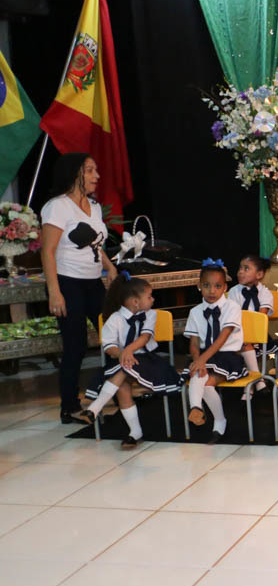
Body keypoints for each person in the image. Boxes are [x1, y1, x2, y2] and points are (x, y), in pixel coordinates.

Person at [39, 153, 119, 422]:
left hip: (92, 282)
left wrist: (109, 267)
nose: (97, 175)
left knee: (113, 335)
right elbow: (47, 251)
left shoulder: (94, 206)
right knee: (76, 345)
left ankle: (114, 391)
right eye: (90, 170)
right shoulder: (57, 207)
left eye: (96, 170)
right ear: (75, 174)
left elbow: (95, 243)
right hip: (67, 282)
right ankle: (69, 406)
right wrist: (55, 291)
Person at [76, 275, 181, 448]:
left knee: (124, 369)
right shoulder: (114, 319)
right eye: (149, 296)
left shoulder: (150, 315)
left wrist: (127, 351)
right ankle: (135, 432)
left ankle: (95, 407)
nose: (153, 299)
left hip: (147, 361)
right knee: (122, 386)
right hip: (121, 361)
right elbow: (109, 347)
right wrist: (122, 354)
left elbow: (145, 337)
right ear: (135, 302)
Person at [183, 260, 246, 443]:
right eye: (207, 286)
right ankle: (200, 410)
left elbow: (222, 338)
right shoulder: (195, 312)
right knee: (199, 374)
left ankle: (214, 418)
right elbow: (194, 343)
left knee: (205, 380)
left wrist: (202, 360)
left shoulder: (232, 307)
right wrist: (198, 360)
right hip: (204, 355)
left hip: (227, 356)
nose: (212, 291)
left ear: (225, 287)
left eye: (217, 286)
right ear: (199, 286)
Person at [229, 255, 274, 393]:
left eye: (246, 268)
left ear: (259, 274)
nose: (240, 272)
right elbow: (232, 316)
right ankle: (258, 381)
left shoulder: (265, 293)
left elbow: (261, 317)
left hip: (258, 335)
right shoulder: (233, 292)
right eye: (240, 268)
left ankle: (249, 390)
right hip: (237, 334)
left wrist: (249, 334)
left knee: (246, 343)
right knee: (243, 343)